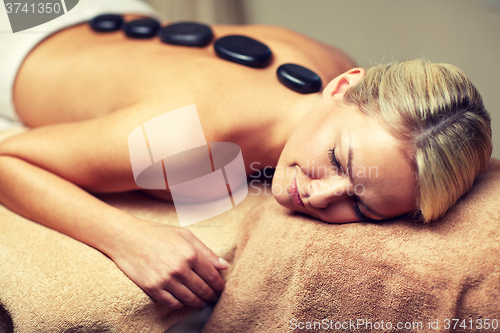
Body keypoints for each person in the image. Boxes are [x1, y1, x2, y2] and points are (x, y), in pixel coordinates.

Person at [0, 4, 492, 310]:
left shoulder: (336, 69)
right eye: (340, 162)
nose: (319, 196)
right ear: (345, 85)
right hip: (17, 30)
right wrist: (127, 237)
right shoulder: (183, 141)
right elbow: (9, 160)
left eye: (360, 206)